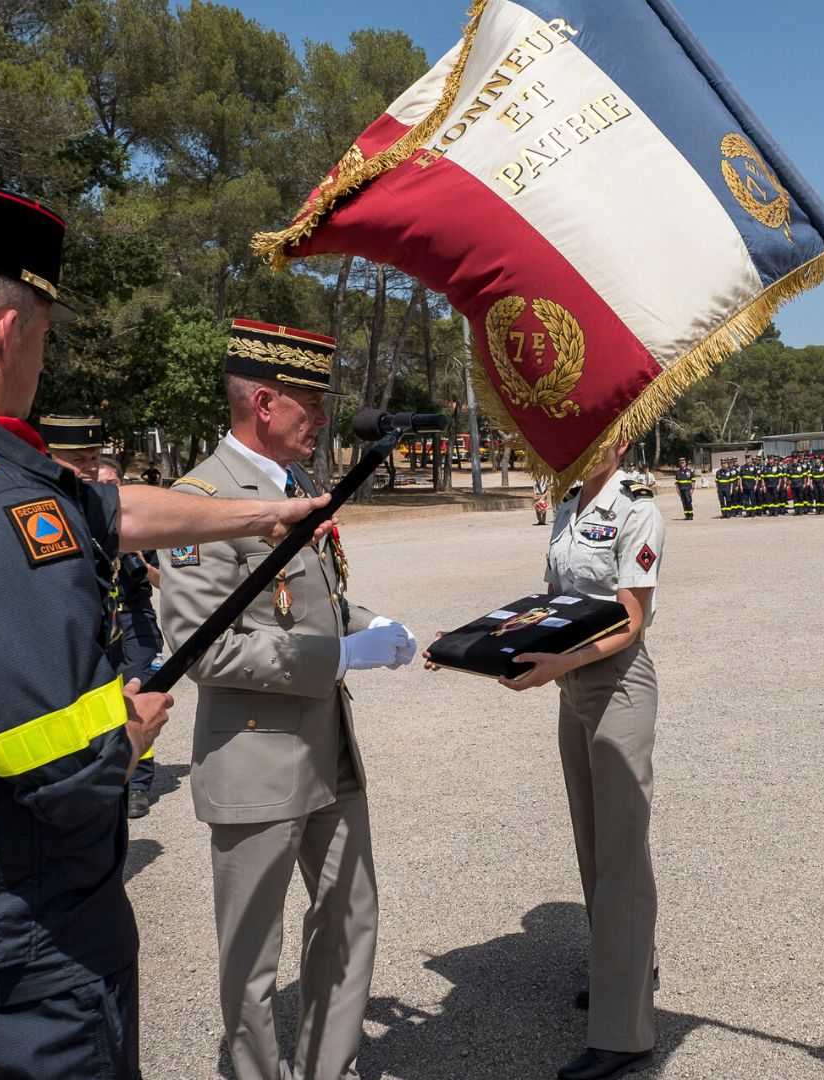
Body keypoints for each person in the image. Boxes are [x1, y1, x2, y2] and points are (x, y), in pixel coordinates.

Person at [0, 179, 326, 1078]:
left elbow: (105, 509)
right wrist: (127, 730)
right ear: (8, 331)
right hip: (14, 943)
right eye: (45, 335)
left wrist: (262, 519)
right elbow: (66, 768)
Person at [159, 318, 420, 1080]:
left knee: (350, 919)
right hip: (255, 762)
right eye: (310, 403)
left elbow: (320, 604)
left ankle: (325, 1070)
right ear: (265, 403)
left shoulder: (301, 490)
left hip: (327, 751)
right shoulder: (200, 502)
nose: (324, 418)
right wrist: (338, 654)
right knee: (252, 957)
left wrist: (375, 626)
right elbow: (203, 648)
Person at [449, 439, 664, 1080]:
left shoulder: (639, 508)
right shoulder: (570, 502)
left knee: (622, 846)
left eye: (593, 436)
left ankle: (624, 1034)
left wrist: (558, 667)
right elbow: (551, 605)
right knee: (592, 840)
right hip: (572, 685)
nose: (575, 448)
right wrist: (477, 646)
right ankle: (620, 965)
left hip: (618, 683)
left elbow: (632, 621)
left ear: (619, 440)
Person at [98, 455, 167, 819]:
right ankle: (110, 773)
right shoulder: (84, 523)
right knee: (105, 695)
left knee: (141, 690)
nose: (104, 488)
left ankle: (138, 785)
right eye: (98, 481)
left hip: (136, 618)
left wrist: (141, 559)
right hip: (100, 622)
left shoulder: (141, 527)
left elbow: (167, 582)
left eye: (111, 484)